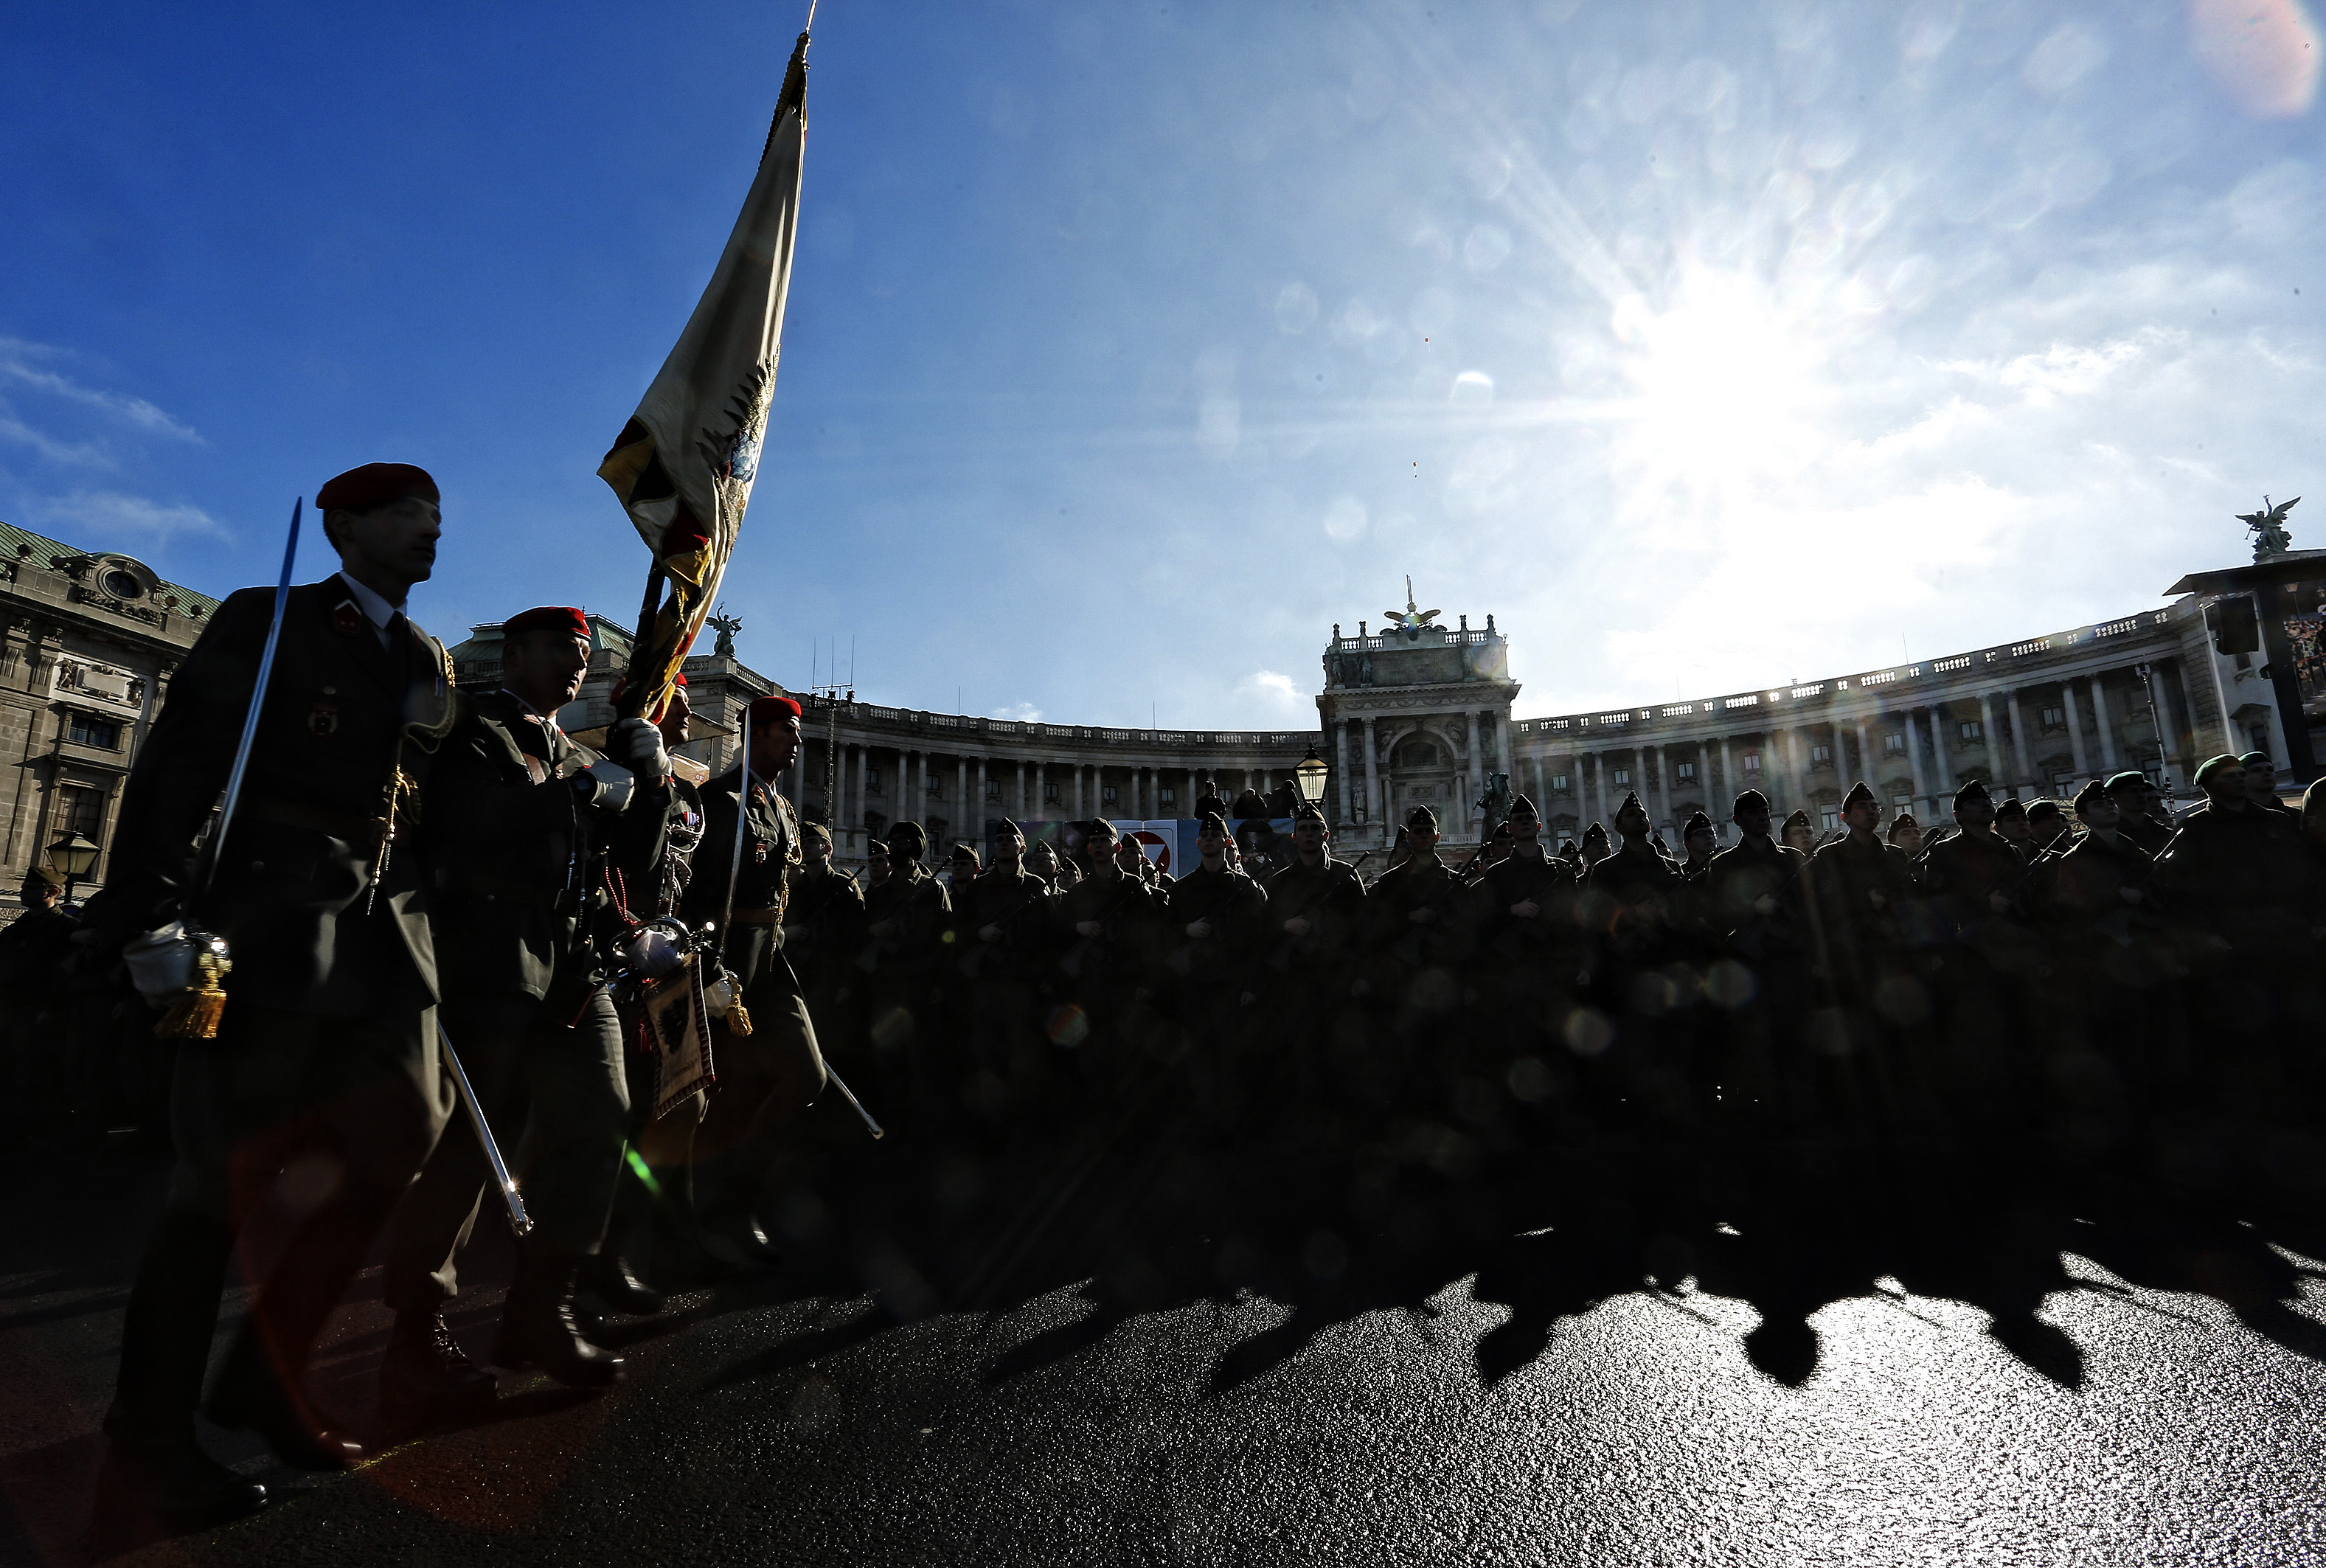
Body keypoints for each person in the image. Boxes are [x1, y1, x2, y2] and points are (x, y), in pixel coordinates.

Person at [86, 462, 461, 1533]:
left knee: (405, 1131)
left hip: (384, 938)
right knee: (220, 1188)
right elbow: (179, 768)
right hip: (269, 920)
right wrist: (151, 912)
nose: (428, 527)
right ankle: (145, 1438)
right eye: (404, 511)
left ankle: (264, 1372)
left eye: (435, 514)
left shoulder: (426, 657)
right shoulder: (273, 617)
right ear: (343, 525)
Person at [379, 605, 673, 1420]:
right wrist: (574, 792)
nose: (579, 664)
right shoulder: (470, 728)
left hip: (576, 964)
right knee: (473, 1145)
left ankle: (542, 1305)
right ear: (513, 654)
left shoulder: (576, 750)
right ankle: (416, 1332)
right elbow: (467, 829)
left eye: (586, 654)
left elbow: (632, 867)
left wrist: (645, 783)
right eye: (564, 649)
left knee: (601, 1121)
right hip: (490, 957)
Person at [678, 695, 828, 1271]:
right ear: (756, 734)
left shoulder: (784, 811)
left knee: (805, 1076)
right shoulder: (720, 800)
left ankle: (736, 1191)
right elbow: (695, 892)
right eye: (787, 733)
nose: (796, 743)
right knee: (718, 1097)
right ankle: (710, 1216)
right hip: (727, 961)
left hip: (771, 963)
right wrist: (707, 967)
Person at [0, 870, 80, 1147]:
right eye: (24, 887)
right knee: (7, 1071)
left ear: (53, 892)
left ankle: (30, 1131)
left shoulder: (68, 929)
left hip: (37, 1009)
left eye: (33, 888)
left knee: (32, 1073)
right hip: (9, 1006)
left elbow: (67, 974)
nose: (24, 892)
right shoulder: (14, 929)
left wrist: (53, 1008)